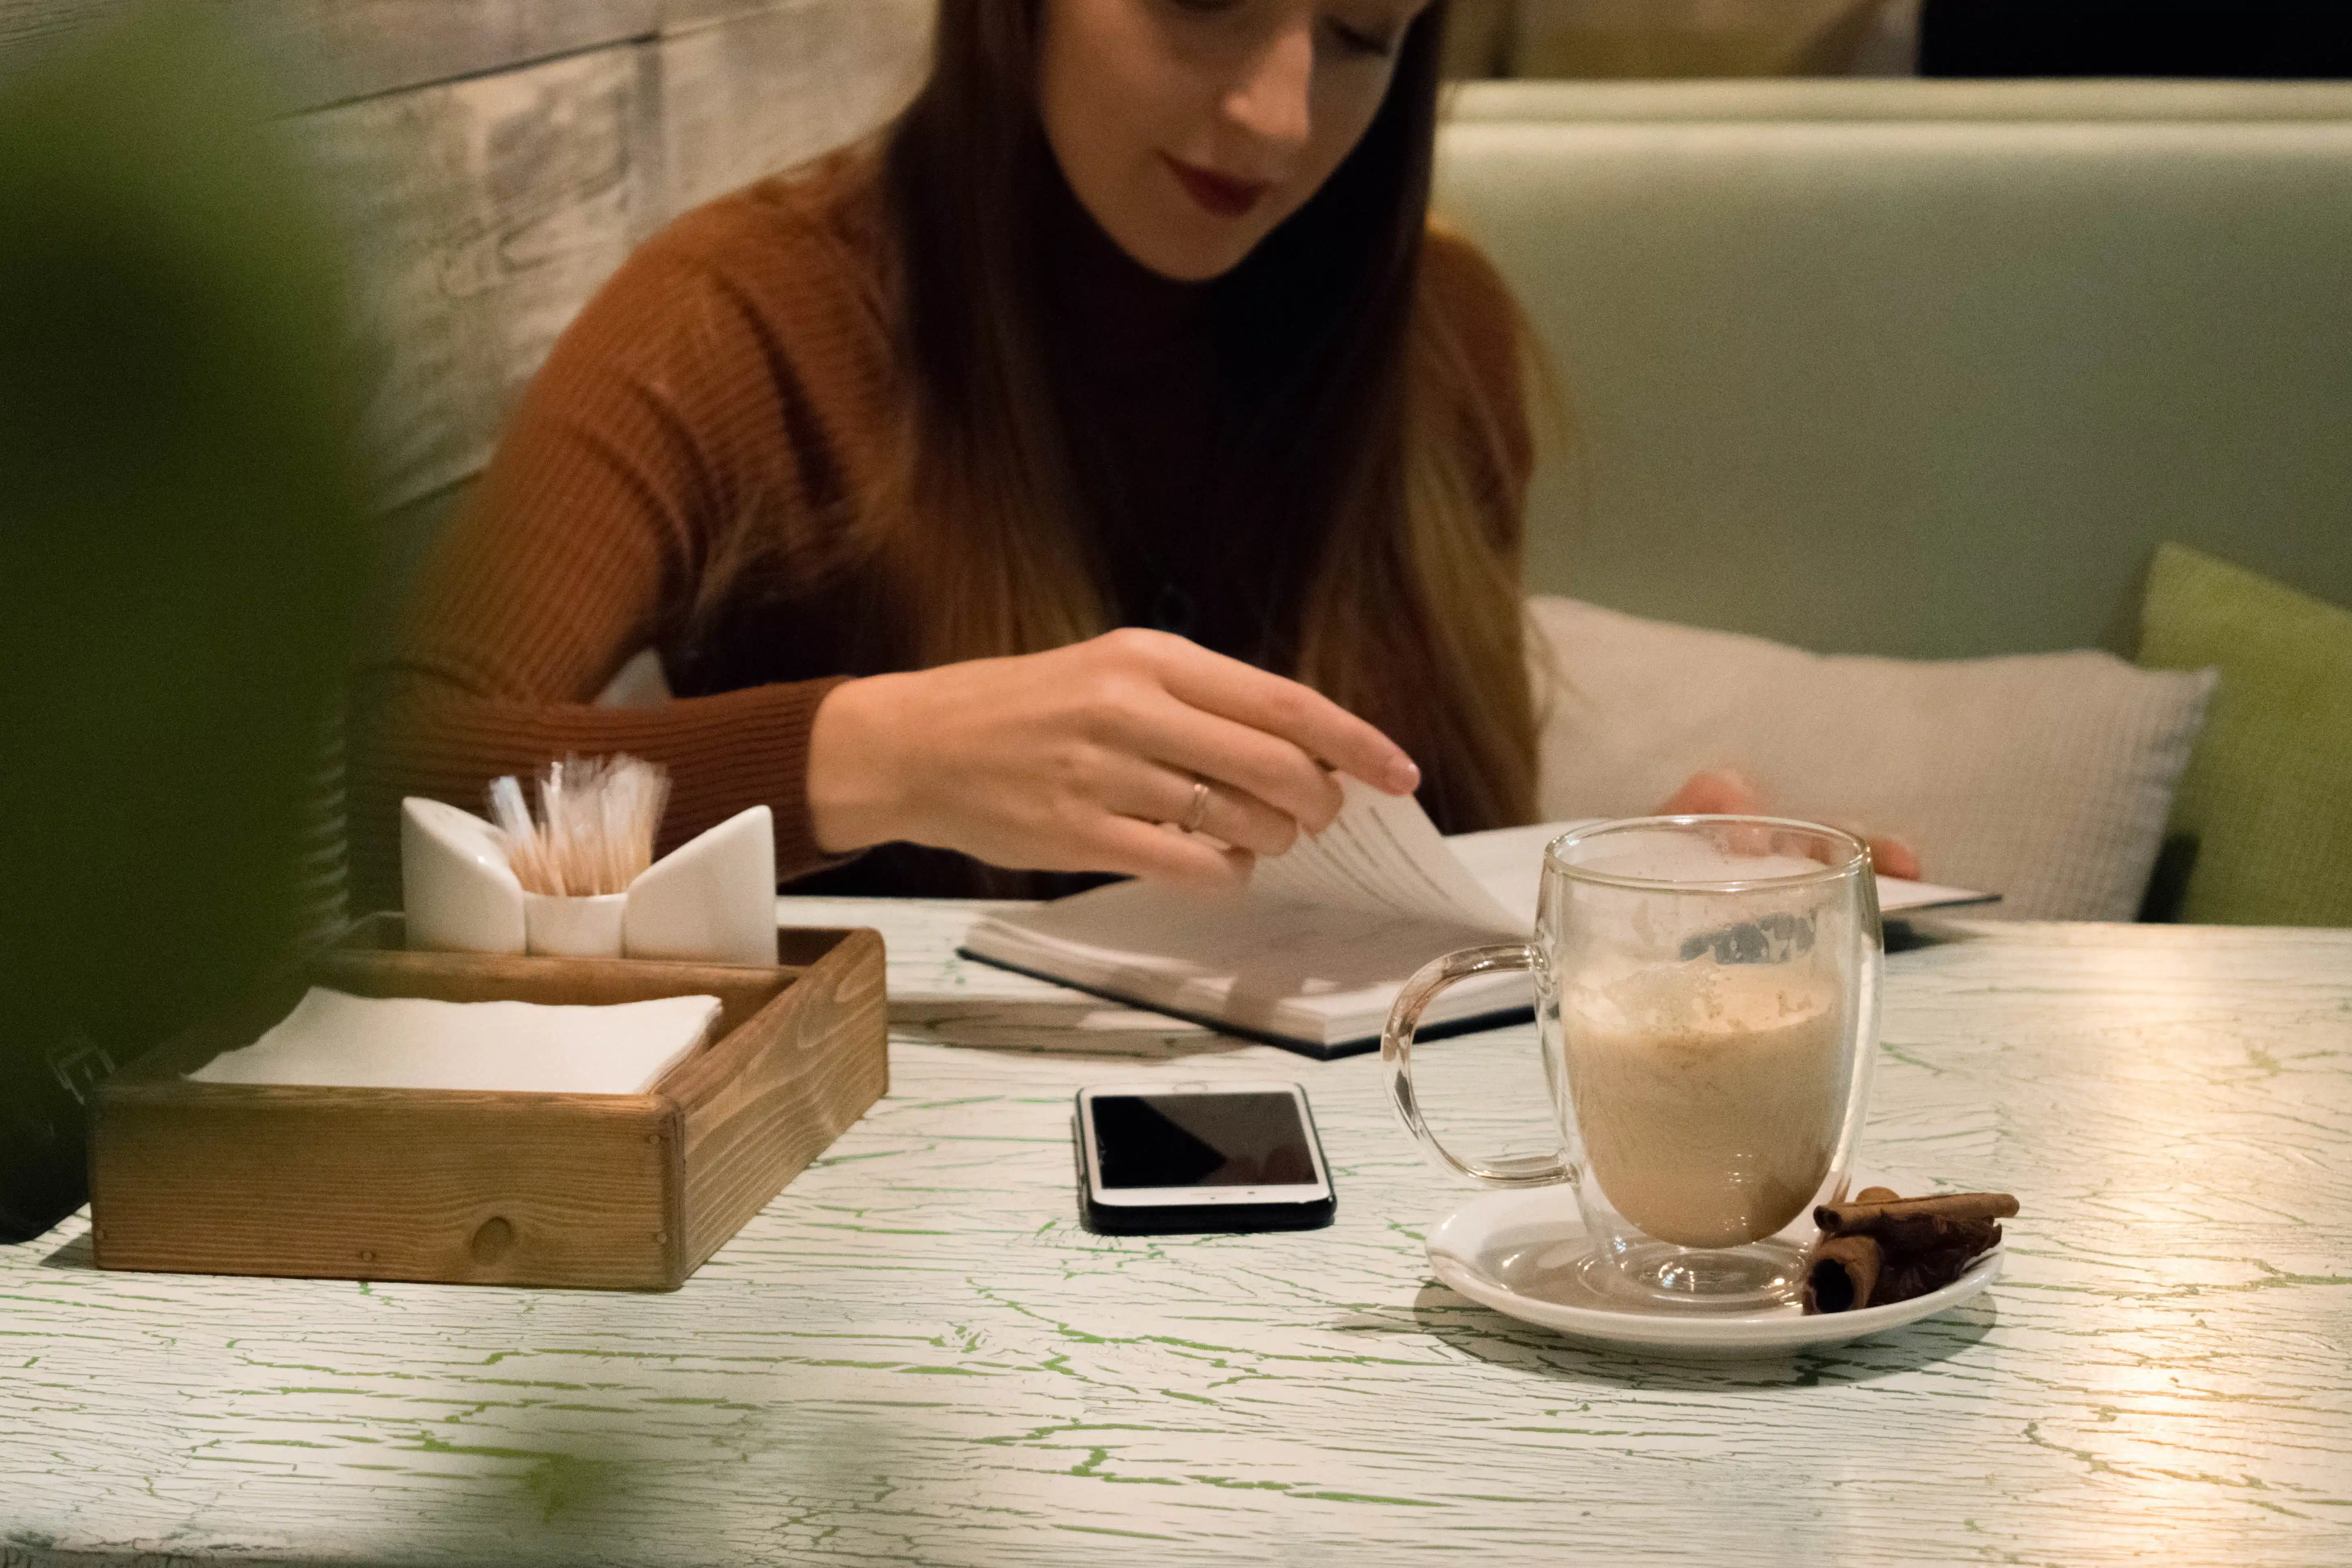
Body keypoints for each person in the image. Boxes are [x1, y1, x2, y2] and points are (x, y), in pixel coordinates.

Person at [352, 0, 1917, 908]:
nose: (1282, 116)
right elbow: (369, 788)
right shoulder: (747, 320)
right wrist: (882, 759)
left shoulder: (1439, 332)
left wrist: (1638, 896)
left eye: (1365, 32)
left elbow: (1405, 909)